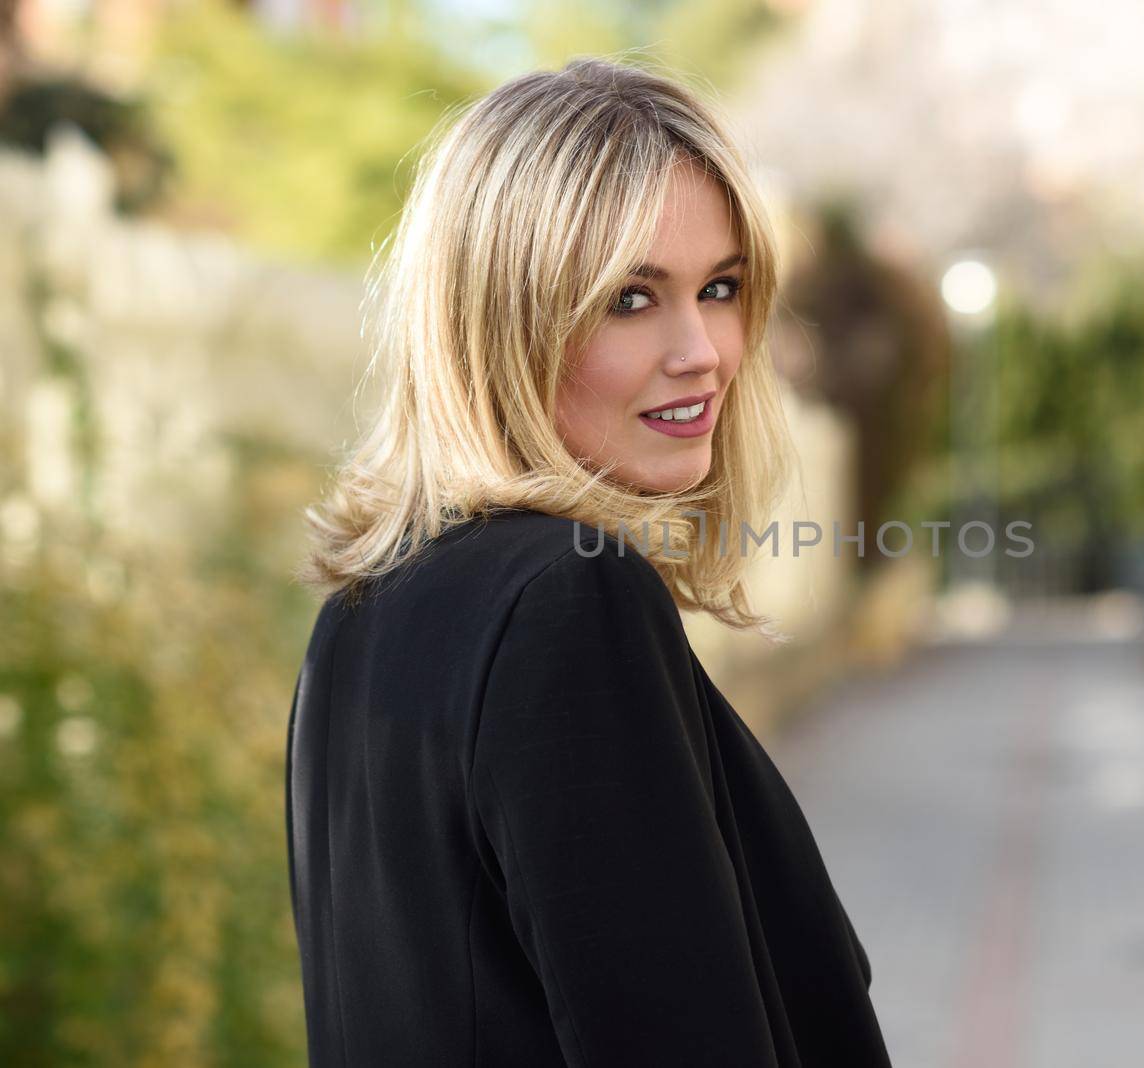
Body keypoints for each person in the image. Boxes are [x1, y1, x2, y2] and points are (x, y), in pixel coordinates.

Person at [285, 57, 893, 1067]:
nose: (701, 349)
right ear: (505, 324)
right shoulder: (569, 601)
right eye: (629, 299)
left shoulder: (366, 605)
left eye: (721, 288)